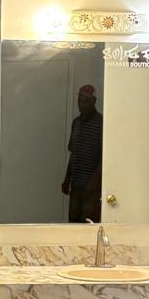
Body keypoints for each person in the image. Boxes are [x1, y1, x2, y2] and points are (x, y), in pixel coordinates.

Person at [62, 82, 103, 222]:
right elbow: (73, 153)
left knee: (88, 223)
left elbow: (104, 158)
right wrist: (67, 179)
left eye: (85, 100)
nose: (81, 104)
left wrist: (94, 182)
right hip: (76, 185)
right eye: (79, 100)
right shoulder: (76, 123)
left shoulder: (102, 124)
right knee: (73, 221)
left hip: (92, 188)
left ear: (94, 101)